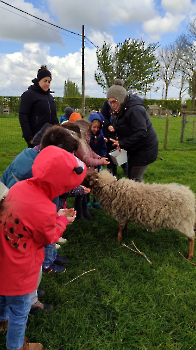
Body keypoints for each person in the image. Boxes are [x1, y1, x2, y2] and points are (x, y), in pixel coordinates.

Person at [0, 145, 86, 350]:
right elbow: (49, 236)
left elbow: (30, 219)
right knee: (20, 312)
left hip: (4, 260)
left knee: (2, 298)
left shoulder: (20, 187)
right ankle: (17, 346)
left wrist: (56, 216)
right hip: (21, 272)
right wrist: (62, 221)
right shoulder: (45, 207)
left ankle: (2, 321)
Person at [1, 125, 80, 314]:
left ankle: (21, 300)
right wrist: (58, 220)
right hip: (28, 231)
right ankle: (29, 302)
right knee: (31, 268)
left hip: (16, 224)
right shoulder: (39, 173)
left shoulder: (27, 155)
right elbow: (46, 231)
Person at [107, 79, 158, 183]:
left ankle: (142, 198)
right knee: (131, 175)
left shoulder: (135, 109)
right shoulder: (121, 109)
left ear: (120, 99)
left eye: (114, 102)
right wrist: (119, 141)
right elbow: (125, 127)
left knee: (135, 178)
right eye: (110, 102)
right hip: (135, 147)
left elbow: (141, 132)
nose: (112, 105)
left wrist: (122, 142)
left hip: (145, 148)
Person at [74, 119, 110, 219]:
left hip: (87, 173)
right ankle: (79, 214)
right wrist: (100, 162)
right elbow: (87, 160)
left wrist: (99, 157)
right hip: (82, 174)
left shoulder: (84, 142)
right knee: (81, 195)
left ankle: (85, 212)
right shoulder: (78, 145)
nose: (88, 133)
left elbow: (91, 153)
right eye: (86, 131)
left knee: (85, 194)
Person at [19, 65, 59, 148]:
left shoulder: (50, 97)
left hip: (50, 137)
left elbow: (54, 116)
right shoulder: (29, 95)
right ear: (39, 81)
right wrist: (29, 137)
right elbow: (23, 116)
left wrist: (58, 130)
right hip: (36, 137)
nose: (47, 84)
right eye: (45, 81)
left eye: (49, 81)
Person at [87, 113, 107, 209]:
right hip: (89, 163)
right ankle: (87, 202)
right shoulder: (86, 136)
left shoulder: (100, 135)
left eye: (97, 127)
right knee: (88, 182)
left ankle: (96, 201)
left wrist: (102, 156)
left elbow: (103, 147)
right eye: (94, 127)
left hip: (98, 162)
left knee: (96, 182)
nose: (96, 129)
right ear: (89, 125)